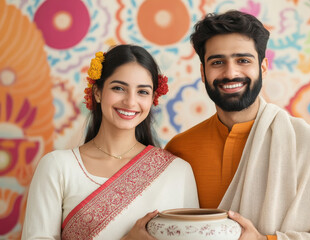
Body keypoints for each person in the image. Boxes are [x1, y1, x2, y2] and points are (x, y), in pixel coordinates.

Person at [165, 10, 310, 240]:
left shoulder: (308, 143)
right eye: (217, 62)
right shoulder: (179, 150)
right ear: (202, 71)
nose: (230, 73)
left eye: (243, 60)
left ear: (263, 67)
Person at [22, 44, 199, 239]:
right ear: (97, 92)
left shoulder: (177, 171)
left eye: (142, 92)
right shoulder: (58, 167)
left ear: (152, 99)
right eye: (118, 88)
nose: (130, 102)